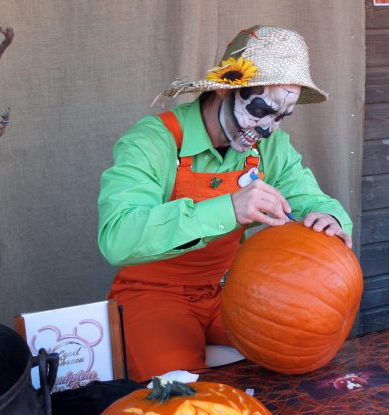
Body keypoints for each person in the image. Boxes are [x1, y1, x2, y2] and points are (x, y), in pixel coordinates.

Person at [98, 25, 353, 382]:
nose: (267, 129)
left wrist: (328, 217)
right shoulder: (153, 142)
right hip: (153, 295)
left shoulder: (269, 148)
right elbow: (118, 237)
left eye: (281, 116)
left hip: (231, 291)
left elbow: (309, 197)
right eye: (261, 109)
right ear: (223, 88)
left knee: (296, 361)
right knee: (180, 395)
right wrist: (227, 209)